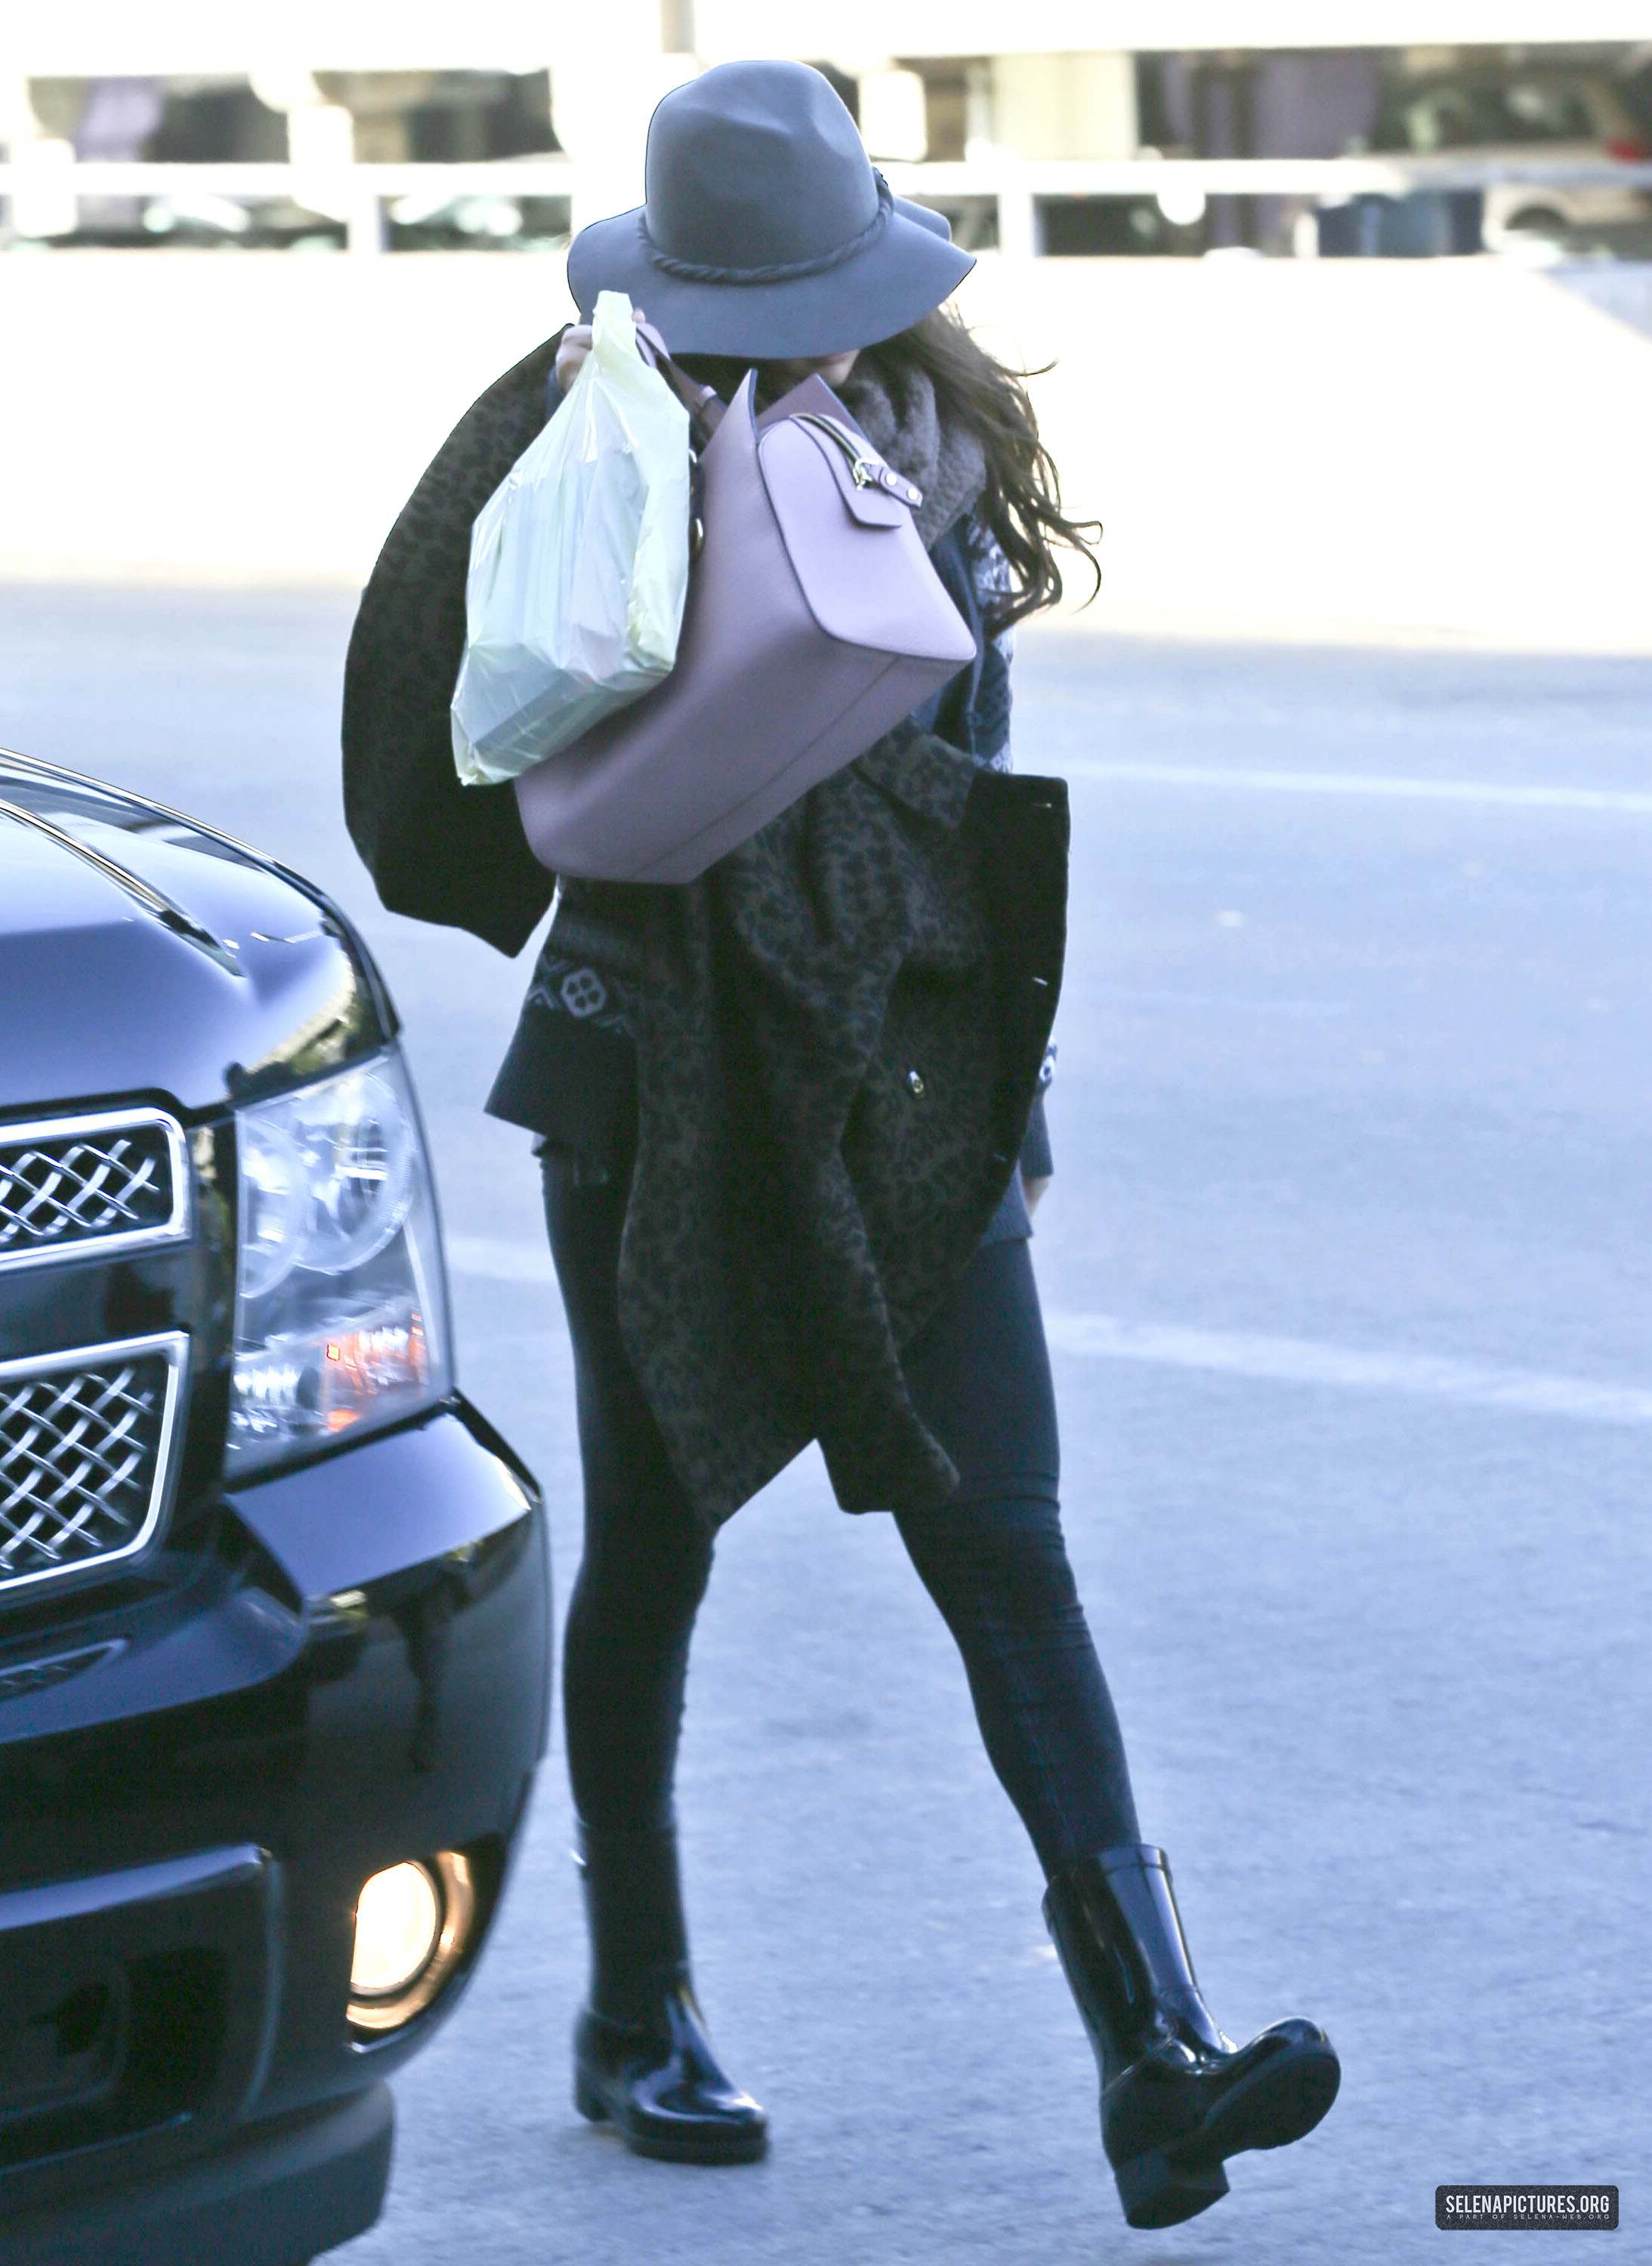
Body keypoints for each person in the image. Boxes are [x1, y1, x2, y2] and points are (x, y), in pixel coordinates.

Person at [341, 57, 1340, 2232]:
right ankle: (635, 2012)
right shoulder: (574, 424)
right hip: (652, 1069)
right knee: (656, 1547)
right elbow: (423, 763)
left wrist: (1017, 1098)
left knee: (1007, 1546)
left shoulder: (933, 438)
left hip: (899, 1078)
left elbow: (969, 794)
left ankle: (1153, 2052)